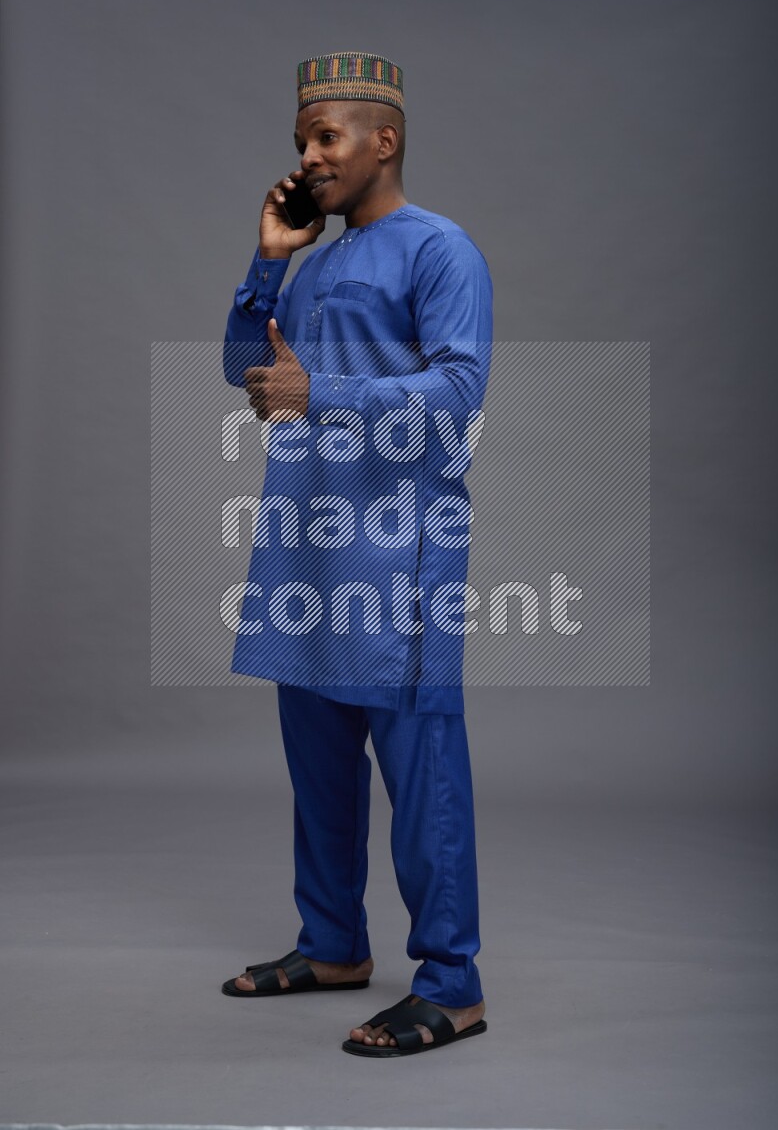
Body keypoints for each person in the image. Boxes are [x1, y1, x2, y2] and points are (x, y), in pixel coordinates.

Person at [220, 52, 493, 1057]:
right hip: (308, 548)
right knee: (319, 762)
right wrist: (266, 260)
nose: (307, 156)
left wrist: (319, 397)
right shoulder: (315, 260)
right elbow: (242, 371)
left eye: (325, 137)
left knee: (420, 766)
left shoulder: (440, 251)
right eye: (300, 139)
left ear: (384, 139)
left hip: (398, 554)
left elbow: (459, 399)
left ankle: (452, 981)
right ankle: (332, 943)